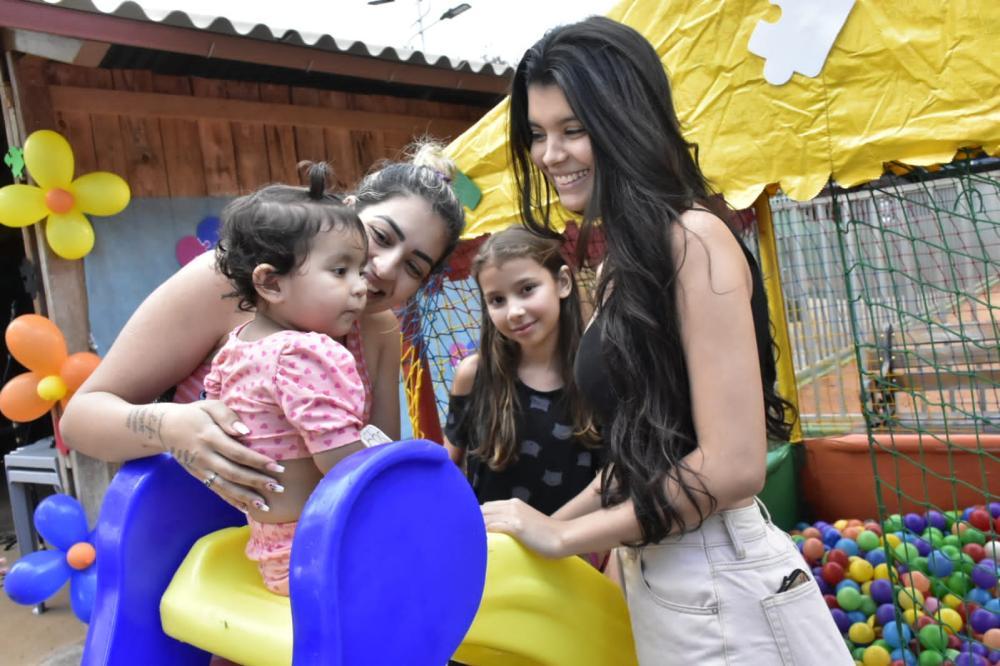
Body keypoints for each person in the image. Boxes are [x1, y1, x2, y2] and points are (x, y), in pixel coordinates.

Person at [480, 17, 852, 664]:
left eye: (573, 129)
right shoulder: (626, 259)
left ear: (625, 121)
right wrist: (536, 529)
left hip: (720, 581)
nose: (549, 155)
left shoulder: (693, 240)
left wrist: (564, 538)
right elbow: (645, 453)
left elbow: (732, 466)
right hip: (666, 574)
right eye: (537, 135)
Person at [61, 142, 465, 514]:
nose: (385, 268)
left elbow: (367, 472)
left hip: (306, 547)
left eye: (414, 266)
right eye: (381, 236)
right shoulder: (228, 283)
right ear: (349, 210)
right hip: (185, 537)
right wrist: (170, 426)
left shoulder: (379, 329)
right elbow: (79, 419)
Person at [202, 164, 371, 595]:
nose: (360, 287)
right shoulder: (304, 353)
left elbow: (214, 412)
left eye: (361, 270)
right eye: (340, 271)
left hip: (274, 554)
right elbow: (342, 465)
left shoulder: (235, 348)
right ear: (271, 283)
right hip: (328, 554)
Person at [443, 226, 602, 517]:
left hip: (570, 541)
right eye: (497, 300)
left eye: (527, 289)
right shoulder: (474, 374)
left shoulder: (597, 376)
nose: (514, 311)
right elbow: (446, 468)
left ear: (562, 283)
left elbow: (611, 480)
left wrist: (547, 530)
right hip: (490, 542)